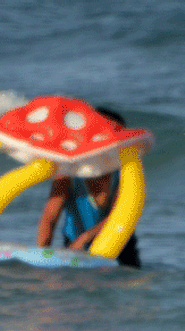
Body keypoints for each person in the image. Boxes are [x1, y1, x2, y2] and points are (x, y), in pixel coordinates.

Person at [35, 106, 141, 268]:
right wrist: (41, 257)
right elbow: (49, 217)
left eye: (116, 137)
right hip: (74, 245)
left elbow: (118, 215)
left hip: (120, 245)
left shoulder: (125, 173)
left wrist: (85, 238)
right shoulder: (69, 172)